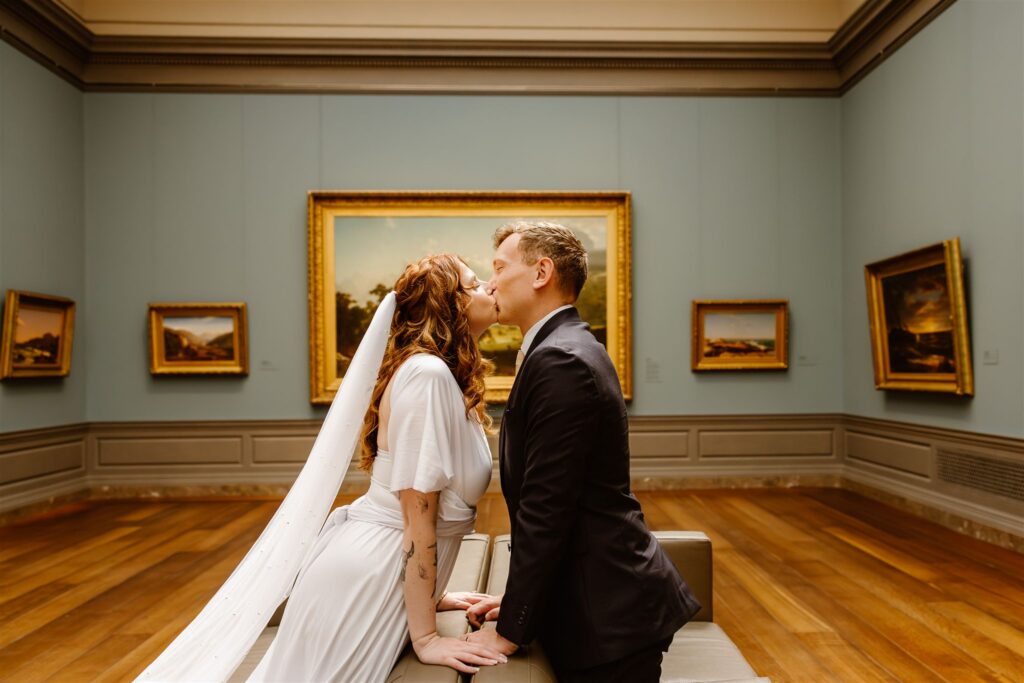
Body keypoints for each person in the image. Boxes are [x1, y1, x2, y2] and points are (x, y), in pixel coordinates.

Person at [138, 254, 507, 682]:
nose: (490, 288)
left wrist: (435, 595)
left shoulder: (434, 374)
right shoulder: (427, 376)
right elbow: (417, 519)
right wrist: (426, 638)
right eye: (475, 283)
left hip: (378, 570)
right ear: (451, 304)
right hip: (367, 580)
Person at [465, 222, 702, 682]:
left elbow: (547, 508)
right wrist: (516, 603)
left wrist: (511, 629)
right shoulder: (561, 347)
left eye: (499, 267)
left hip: (609, 618)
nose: (490, 282)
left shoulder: (561, 359)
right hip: (598, 600)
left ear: (542, 272)